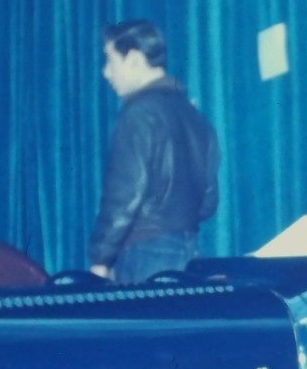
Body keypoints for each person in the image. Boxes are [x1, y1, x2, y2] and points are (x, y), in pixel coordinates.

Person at [89, 20, 220, 283]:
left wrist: (101, 259)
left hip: (144, 254)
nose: (106, 73)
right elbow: (208, 201)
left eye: (111, 61)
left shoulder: (138, 114)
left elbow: (124, 195)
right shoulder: (193, 115)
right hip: (187, 250)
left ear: (135, 59)